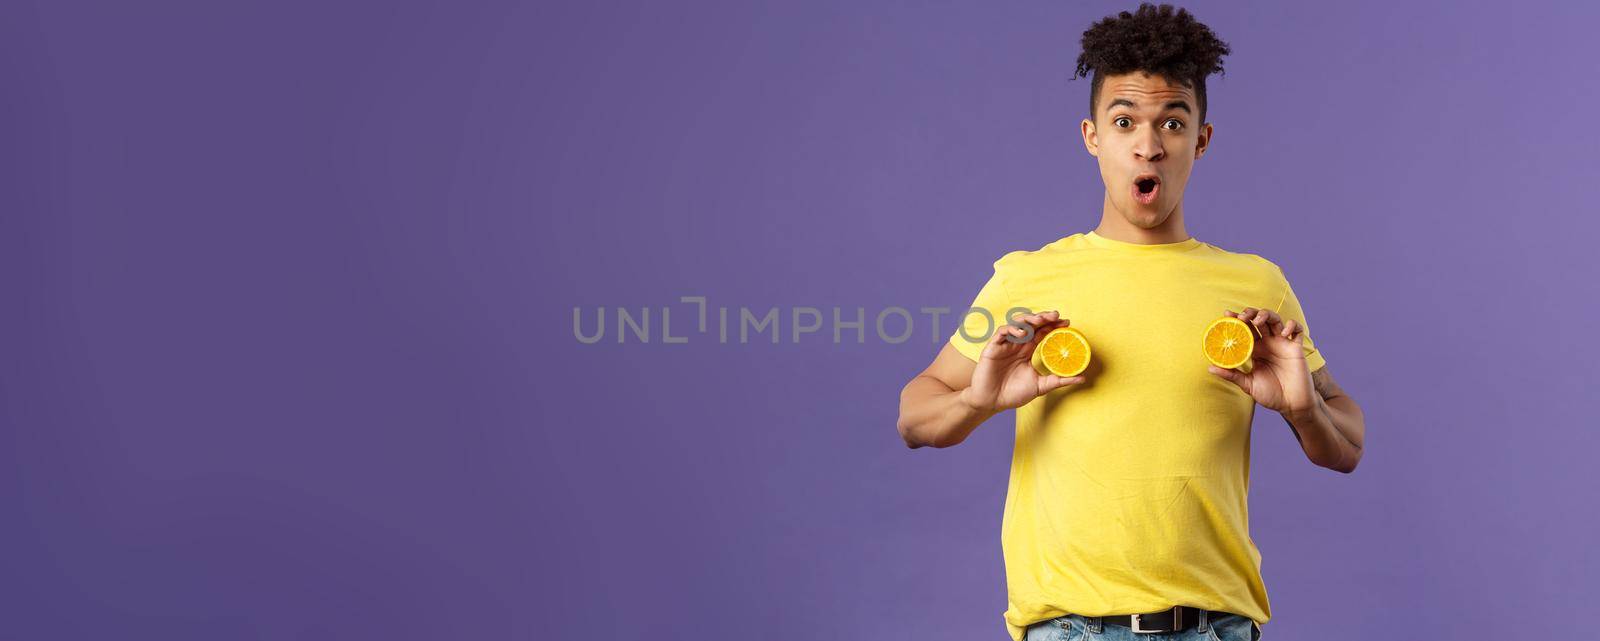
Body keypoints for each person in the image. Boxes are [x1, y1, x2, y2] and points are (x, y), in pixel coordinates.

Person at [894, 4, 1366, 640]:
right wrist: (979, 401)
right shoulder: (1027, 279)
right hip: (1069, 630)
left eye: (1172, 122)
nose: (1148, 144)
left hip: (1216, 629)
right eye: (1125, 122)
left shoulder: (1257, 287)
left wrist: (1302, 410)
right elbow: (914, 415)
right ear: (1093, 136)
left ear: (1201, 139)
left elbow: (1348, 445)